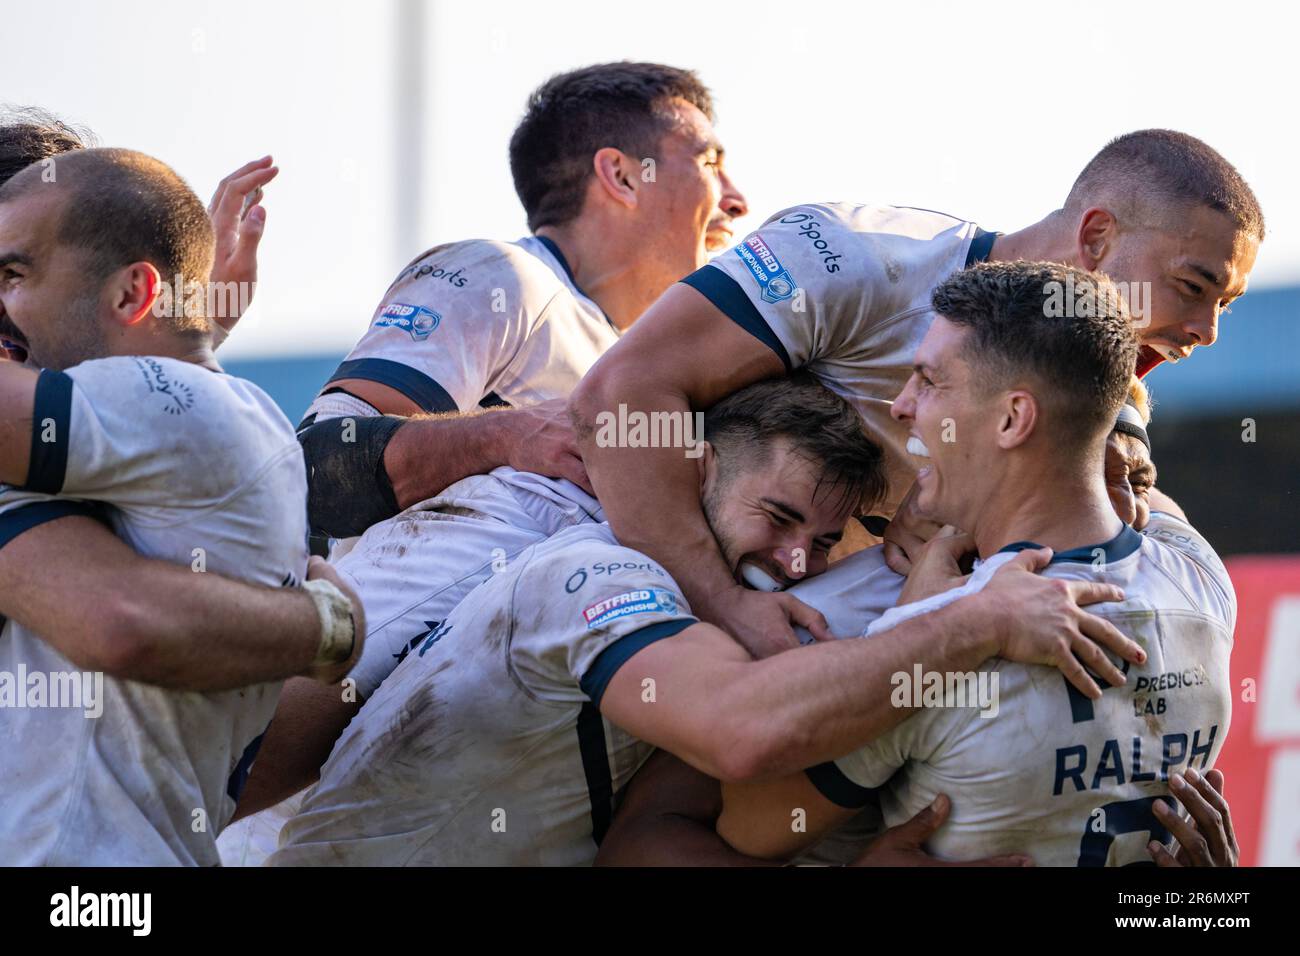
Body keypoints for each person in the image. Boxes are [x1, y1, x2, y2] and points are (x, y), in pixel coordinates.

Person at [268, 374, 1142, 865]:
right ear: (693, 470)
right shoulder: (577, 569)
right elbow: (740, 734)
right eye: (780, 516)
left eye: (825, 538)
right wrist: (975, 624)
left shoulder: (741, 607)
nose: (799, 559)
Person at [571, 130, 1263, 657]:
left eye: (1226, 306)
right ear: (1098, 236)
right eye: (1195, 287)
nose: (1205, 332)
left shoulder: (1101, 389)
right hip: (620, 628)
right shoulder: (858, 257)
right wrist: (720, 602)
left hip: (829, 679)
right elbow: (616, 397)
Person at [706, 262, 1234, 866]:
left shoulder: (927, 640)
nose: (902, 406)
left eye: (929, 382)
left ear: (1012, 419)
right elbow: (1131, 488)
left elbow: (746, 826)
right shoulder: (1202, 577)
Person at [0, 147, 365, 865]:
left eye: (13, 275)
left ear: (133, 293)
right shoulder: (202, 419)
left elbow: (120, 623)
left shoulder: (185, 410)